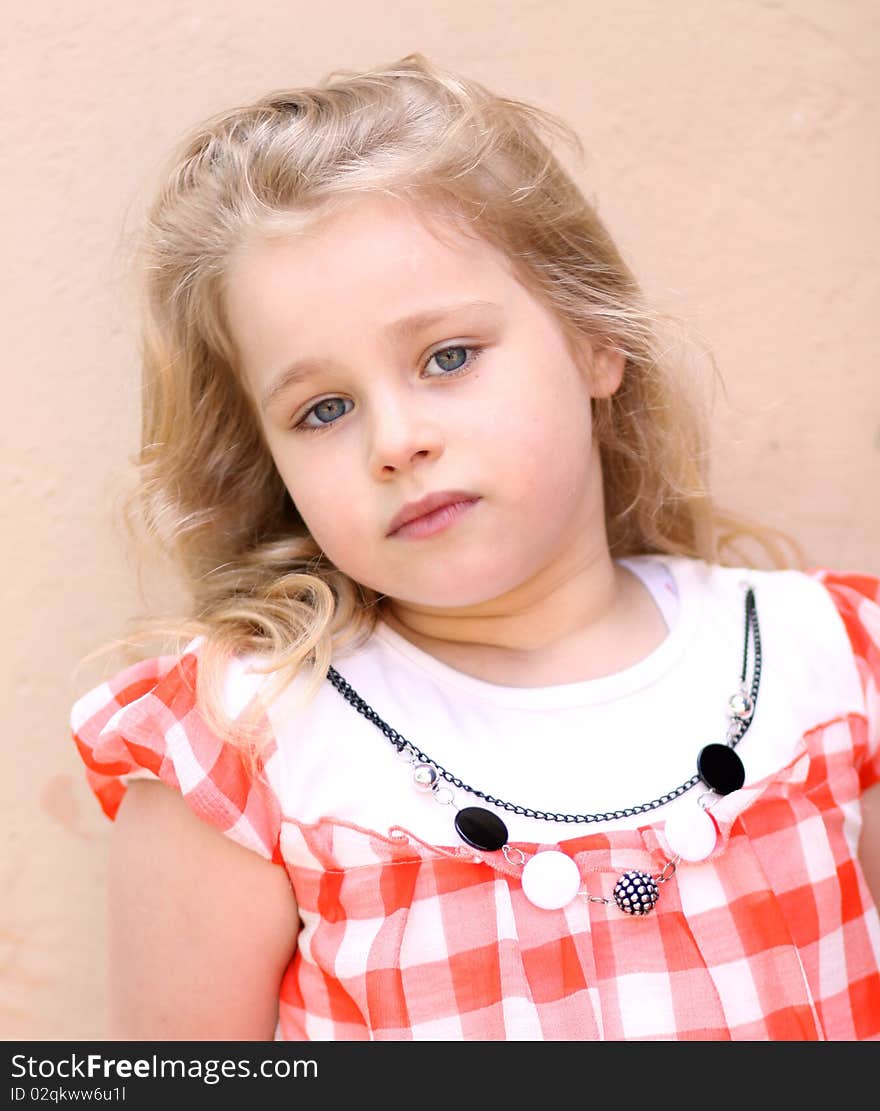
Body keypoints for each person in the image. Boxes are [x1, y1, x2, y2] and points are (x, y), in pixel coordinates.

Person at [69, 52, 880, 1042]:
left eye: (447, 357)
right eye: (323, 408)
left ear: (593, 341)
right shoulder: (246, 744)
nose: (395, 440)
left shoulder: (827, 671)